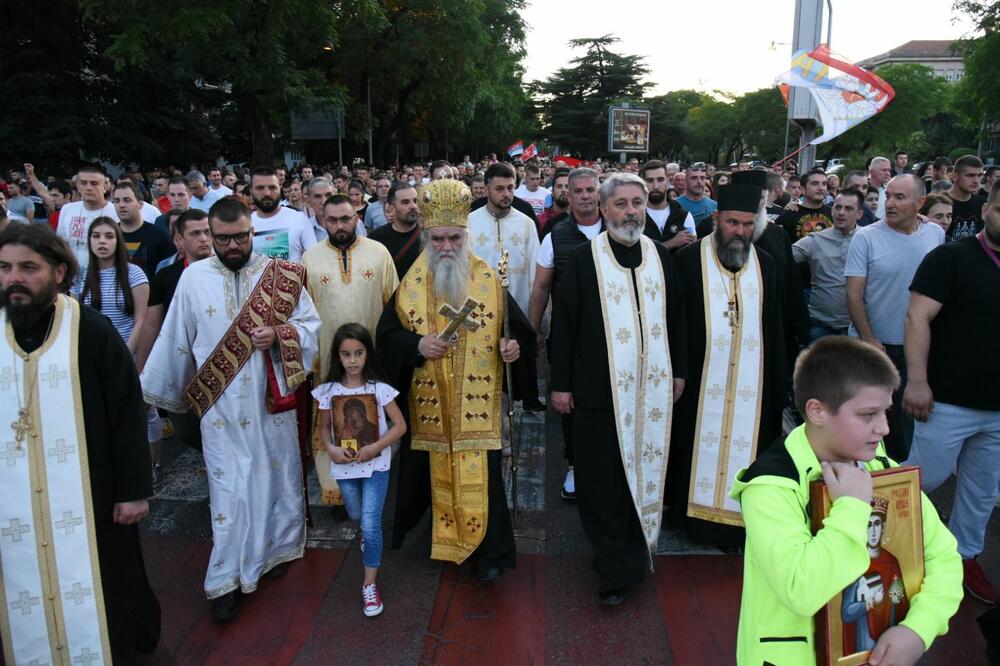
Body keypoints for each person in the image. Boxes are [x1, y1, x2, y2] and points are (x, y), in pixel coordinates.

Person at [730, 336, 962, 666]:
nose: (884, 428)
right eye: (868, 414)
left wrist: (918, 629)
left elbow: (943, 556)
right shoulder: (770, 486)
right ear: (817, 411)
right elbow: (801, 588)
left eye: (886, 412)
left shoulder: (882, 469)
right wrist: (852, 507)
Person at [141, 197, 321, 620]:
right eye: (223, 238)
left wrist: (280, 334)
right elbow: (176, 340)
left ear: (251, 231)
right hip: (218, 408)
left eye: (242, 236)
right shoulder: (192, 279)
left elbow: (312, 328)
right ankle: (224, 579)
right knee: (229, 490)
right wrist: (157, 392)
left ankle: (275, 552)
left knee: (273, 479)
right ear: (208, 237)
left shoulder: (283, 276)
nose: (234, 244)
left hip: (270, 401)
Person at [0, 224, 161, 662]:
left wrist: (133, 492)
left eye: (28, 268)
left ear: (57, 272)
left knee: (107, 585)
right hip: (13, 505)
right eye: (5, 267)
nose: (14, 277)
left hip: (93, 496)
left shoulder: (89, 330)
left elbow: (127, 410)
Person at [376, 179, 532, 580]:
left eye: (454, 239)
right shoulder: (411, 283)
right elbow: (387, 337)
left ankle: (490, 555)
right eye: (438, 239)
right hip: (432, 403)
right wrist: (416, 344)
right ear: (427, 237)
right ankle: (446, 543)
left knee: (484, 476)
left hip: (476, 407)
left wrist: (512, 352)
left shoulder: (488, 280)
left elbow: (517, 333)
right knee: (433, 473)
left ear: (466, 237)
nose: (446, 247)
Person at [549, 173, 687, 604]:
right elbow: (564, 327)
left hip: (651, 393)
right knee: (602, 480)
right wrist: (560, 385)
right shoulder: (585, 259)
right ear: (604, 210)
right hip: (596, 394)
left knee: (642, 473)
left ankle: (630, 550)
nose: (631, 211)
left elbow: (677, 318)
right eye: (622, 204)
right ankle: (613, 568)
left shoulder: (659, 256)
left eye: (637, 203)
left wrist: (679, 371)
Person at [667, 181, 786, 547]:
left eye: (748, 224)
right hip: (700, 381)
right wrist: (677, 372)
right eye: (733, 223)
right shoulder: (687, 261)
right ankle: (688, 518)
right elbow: (674, 323)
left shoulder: (766, 264)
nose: (740, 232)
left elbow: (776, 327)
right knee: (690, 447)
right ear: (717, 220)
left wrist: (777, 384)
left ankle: (736, 525)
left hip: (751, 383)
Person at [903, 180, 1000, 604]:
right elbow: (916, 318)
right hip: (947, 400)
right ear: (985, 209)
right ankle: (885, 544)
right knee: (922, 479)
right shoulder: (950, 258)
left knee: (982, 489)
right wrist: (918, 380)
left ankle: (965, 556)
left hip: (997, 408)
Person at [302, 193, 398, 506]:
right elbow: (303, 312)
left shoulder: (378, 253)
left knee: (371, 418)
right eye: (332, 219)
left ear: (357, 217)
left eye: (346, 218)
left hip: (371, 358)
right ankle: (337, 491)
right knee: (331, 420)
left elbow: (393, 306)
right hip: (329, 358)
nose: (340, 225)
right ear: (322, 219)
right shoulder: (310, 258)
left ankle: (372, 480)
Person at [845, 174, 944, 460]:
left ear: (920, 203)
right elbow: (853, 294)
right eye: (889, 196)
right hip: (875, 348)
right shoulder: (866, 237)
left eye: (900, 197)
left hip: (918, 347)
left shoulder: (934, 234)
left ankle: (903, 488)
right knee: (869, 421)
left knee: (910, 425)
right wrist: (868, 338)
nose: (890, 203)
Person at [313, 323, 406, 617]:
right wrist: (330, 448)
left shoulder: (379, 390)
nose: (352, 360)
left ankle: (369, 585)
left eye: (358, 353)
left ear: (367, 354)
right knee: (355, 513)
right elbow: (324, 429)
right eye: (346, 354)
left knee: (369, 523)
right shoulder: (329, 392)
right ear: (337, 357)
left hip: (376, 465)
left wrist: (375, 447)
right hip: (345, 468)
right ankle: (369, 535)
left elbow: (400, 426)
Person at [528, 167, 604, 499]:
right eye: (579, 191)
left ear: (599, 192)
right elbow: (541, 287)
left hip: (613, 338)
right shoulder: (555, 236)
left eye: (591, 190)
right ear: (567, 195)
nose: (586, 196)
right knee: (568, 403)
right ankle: (574, 465)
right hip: (568, 337)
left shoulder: (617, 229)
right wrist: (533, 329)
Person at [134, 209, 214, 457]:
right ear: (179, 240)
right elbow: (151, 325)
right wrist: (142, 371)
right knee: (189, 432)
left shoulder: (226, 270)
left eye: (208, 232)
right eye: (195, 233)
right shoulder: (166, 276)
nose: (204, 239)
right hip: (184, 367)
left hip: (221, 363)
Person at [841, 495, 910, 653]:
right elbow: (846, 613)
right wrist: (870, 602)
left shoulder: (892, 562)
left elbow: (899, 605)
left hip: (889, 638)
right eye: (868, 525)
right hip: (863, 642)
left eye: (877, 524)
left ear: (883, 527)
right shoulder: (855, 561)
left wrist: (895, 597)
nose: (873, 531)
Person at [793, 189, 863, 341]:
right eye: (838, 207)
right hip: (820, 325)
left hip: (857, 328)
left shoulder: (869, 239)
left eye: (849, 208)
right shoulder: (816, 240)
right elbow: (782, 257)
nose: (841, 212)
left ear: (859, 214)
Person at [56, 164, 118, 272]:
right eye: (83, 183)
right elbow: (61, 244)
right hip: (71, 277)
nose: (88, 188)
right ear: (78, 187)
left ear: (105, 187)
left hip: (103, 276)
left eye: (94, 183)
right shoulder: (67, 210)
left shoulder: (116, 213)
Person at [249, 166, 316, 262]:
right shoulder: (245, 224)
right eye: (260, 188)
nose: (267, 193)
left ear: (279, 188)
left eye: (272, 187)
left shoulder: (299, 219)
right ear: (251, 191)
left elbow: (314, 260)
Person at [112, 180, 175, 280]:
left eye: (127, 200)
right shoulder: (109, 235)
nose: (121, 205)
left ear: (140, 204)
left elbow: (170, 274)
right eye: (116, 201)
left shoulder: (159, 236)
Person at [368, 182, 423, 279]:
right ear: (392, 208)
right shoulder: (375, 239)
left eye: (415, 201)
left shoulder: (430, 236)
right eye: (405, 202)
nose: (413, 206)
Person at [639, 159, 696, 250]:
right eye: (650, 180)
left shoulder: (683, 215)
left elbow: (691, 252)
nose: (656, 186)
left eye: (660, 179)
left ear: (667, 181)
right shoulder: (635, 215)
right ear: (643, 183)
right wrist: (671, 243)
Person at [776, 169, 832, 241]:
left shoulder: (834, 213)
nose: (821, 188)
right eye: (815, 184)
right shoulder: (789, 215)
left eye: (824, 184)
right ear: (803, 189)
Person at [946, 154, 986, 241]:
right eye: (970, 175)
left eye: (979, 175)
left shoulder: (983, 204)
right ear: (955, 176)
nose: (976, 180)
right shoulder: (938, 201)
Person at [675, 163, 717, 232]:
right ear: (685, 182)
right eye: (694, 178)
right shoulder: (674, 205)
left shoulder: (715, 206)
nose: (699, 182)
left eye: (702, 178)